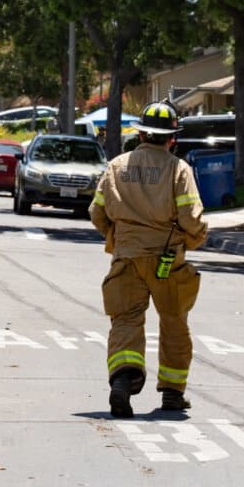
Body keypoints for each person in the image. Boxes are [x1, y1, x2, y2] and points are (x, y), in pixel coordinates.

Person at [88, 101, 208, 418]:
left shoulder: (117, 166)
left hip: (127, 257)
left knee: (126, 320)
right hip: (167, 260)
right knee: (173, 322)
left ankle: (123, 383)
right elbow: (191, 218)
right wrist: (194, 239)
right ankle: (172, 393)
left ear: (140, 134)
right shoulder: (178, 169)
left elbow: (96, 213)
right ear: (172, 138)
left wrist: (119, 238)